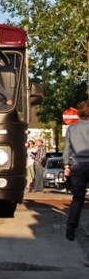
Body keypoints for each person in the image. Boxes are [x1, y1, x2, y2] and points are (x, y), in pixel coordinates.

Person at [63, 101, 89, 241]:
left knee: (77, 199)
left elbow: (67, 149)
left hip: (78, 165)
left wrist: (67, 165)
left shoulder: (72, 128)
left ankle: (71, 226)